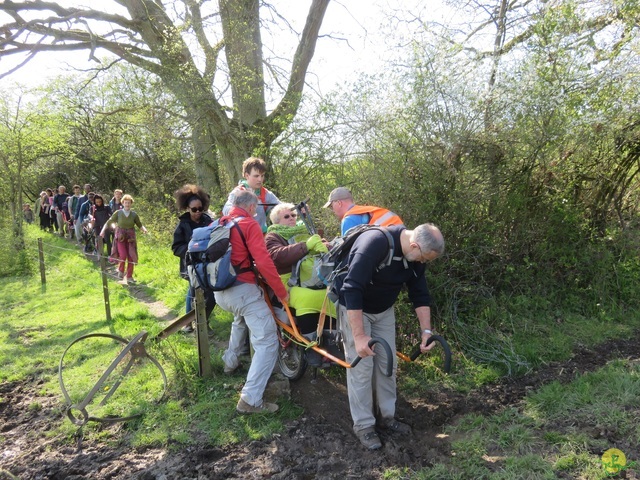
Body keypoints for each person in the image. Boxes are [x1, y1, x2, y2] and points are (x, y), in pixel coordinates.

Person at [337, 222, 444, 450]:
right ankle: (364, 426)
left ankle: (387, 418)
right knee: (362, 367)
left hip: (384, 310)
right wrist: (359, 336)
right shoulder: (374, 244)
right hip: (355, 308)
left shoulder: (414, 257)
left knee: (389, 364)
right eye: (423, 258)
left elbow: (420, 293)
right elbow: (351, 288)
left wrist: (427, 331)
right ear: (414, 245)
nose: (423, 263)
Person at [214, 190, 289, 414]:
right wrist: (281, 292)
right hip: (242, 290)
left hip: (220, 292)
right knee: (267, 341)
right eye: (255, 208)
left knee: (241, 319)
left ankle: (230, 362)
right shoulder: (248, 224)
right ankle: (250, 400)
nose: (256, 212)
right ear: (249, 207)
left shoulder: (222, 222)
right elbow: (264, 262)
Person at [222, 157, 281, 355]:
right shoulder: (237, 193)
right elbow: (227, 212)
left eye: (263, 175)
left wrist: (292, 211)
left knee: (251, 302)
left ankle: (235, 354)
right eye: (256, 175)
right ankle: (245, 351)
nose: (260, 179)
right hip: (245, 247)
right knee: (248, 304)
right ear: (246, 176)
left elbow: (280, 208)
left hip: (259, 242)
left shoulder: (265, 194)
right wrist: (242, 201)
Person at [265, 203, 333, 334]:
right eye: (286, 216)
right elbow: (277, 256)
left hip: (315, 279)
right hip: (290, 283)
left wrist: (327, 246)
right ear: (277, 221)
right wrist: (306, 246)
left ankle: (331, 338)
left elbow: (319, 245)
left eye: (293, 215)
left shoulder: (304, 231)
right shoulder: (273, 236)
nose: (291, 218)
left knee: (335, 295)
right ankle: (309, 342)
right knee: (307, 299)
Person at [171, 184, 216, 334]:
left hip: (207, 263)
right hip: (190, 264)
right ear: (187, 208)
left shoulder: (208, 221)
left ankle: (203, 322)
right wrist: (192, 249)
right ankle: (188, 324)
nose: (197, 212)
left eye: (200, 209)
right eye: (194, 209)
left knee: (211, 294)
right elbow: (176, 247)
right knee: (193, 291)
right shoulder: (183, 225)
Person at [100, 194, 148, 284]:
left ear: (131, 204)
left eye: (129, 203)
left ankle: (129, 276)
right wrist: (102, 231)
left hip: (131, 238)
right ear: (123, 203)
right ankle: (121, 271)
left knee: (131, 257)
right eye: (126, 203)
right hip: (120, 237)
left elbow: (139, 224)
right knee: (123, 255)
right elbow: (108, 222)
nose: (127, 204)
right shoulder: (118, 213)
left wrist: (144, 230)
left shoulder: (134, 215)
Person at [323, 187, 404, 235]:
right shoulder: (368, 211)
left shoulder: (349, 220)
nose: (332, 210)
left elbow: (349, 254)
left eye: (331, 206)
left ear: (339, 203)